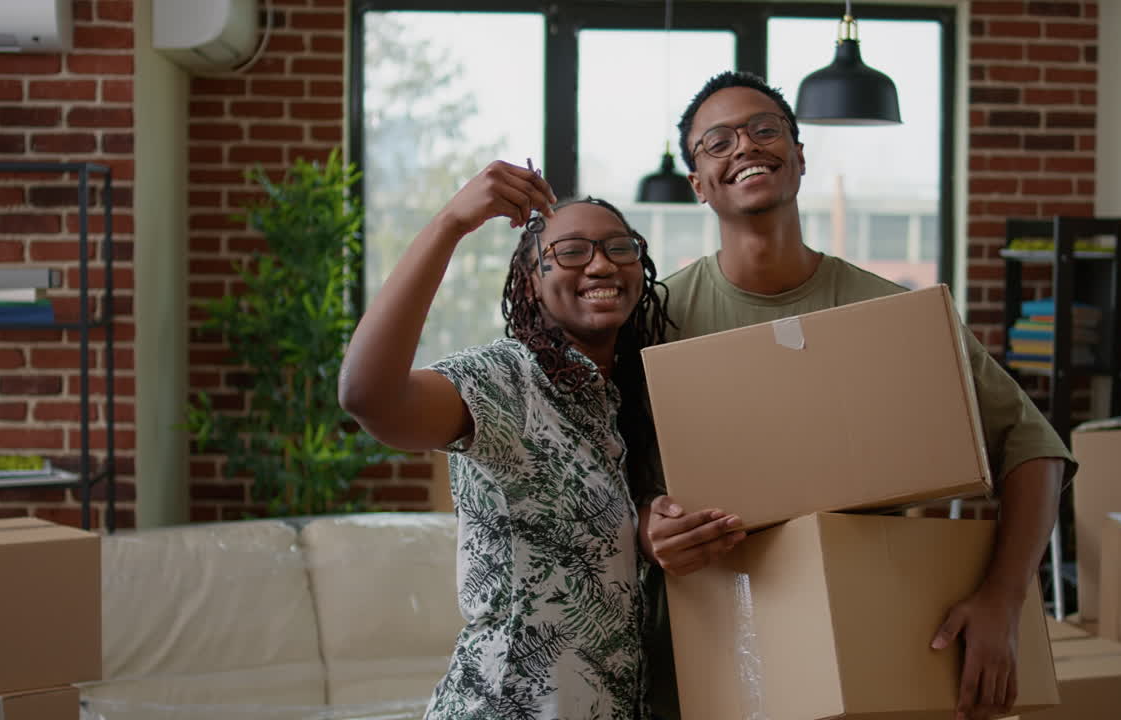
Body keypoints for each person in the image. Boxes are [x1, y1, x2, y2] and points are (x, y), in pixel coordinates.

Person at [637, 72, 1076, 720]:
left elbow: (1032, 443)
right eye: (718, 142)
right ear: (698, 183)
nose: (746, 147)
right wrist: (647, 523)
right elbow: (599, 473)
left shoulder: (890, 315)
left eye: (765, 129)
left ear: (799, 155)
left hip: (865, 638)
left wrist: (1004, 598)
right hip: (706, 645)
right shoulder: (655, 322)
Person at [339, 159, 672, 720]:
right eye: (571, 251)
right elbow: (369, 397)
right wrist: (450, 222)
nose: (600, 263)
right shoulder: (503, 379)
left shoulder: (629, 399)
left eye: (620, 246)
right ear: (530, 283)